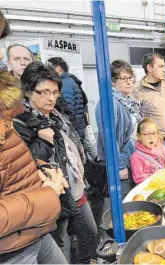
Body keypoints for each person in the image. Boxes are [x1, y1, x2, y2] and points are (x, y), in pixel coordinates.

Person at [13, 62, 97, 264]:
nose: (50, 98)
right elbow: (21, 166)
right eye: (43, 92)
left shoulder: (58, 114)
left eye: (54, 92)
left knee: (90, 233)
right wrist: (43, 141)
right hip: (51, 195)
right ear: (27, 91)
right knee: (60, 245)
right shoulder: (18, 122)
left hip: (75, 187)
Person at [0, 72, 68, 264]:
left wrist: (42, 170)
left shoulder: (7, 120)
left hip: (35, 229)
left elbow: (12, 160)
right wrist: (48, 194)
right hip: (11, 249)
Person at [96, 60, 142, 198]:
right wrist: (120, 166)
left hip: (133, 157)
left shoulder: (129, 101)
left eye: (130, 78)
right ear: (113, 82)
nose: (129, 82)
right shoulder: (109, 103)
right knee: (124, 201)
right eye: (124, 78)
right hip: (121, 160)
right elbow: (109, 139)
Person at [133, 53, 165, 140]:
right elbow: (134, 118)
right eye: (161, 66)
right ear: (149, 68)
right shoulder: (137, 89)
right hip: (153, 141)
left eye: (164, 66)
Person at [130, 118, 165, 184]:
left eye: (154, 133)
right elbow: (138, 179)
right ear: (139, 136)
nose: (151, 137)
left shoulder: (162, 148)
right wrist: (155, 176)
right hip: (150, 187)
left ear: (158, 134)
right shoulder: (136, 157)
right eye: (146, 134)